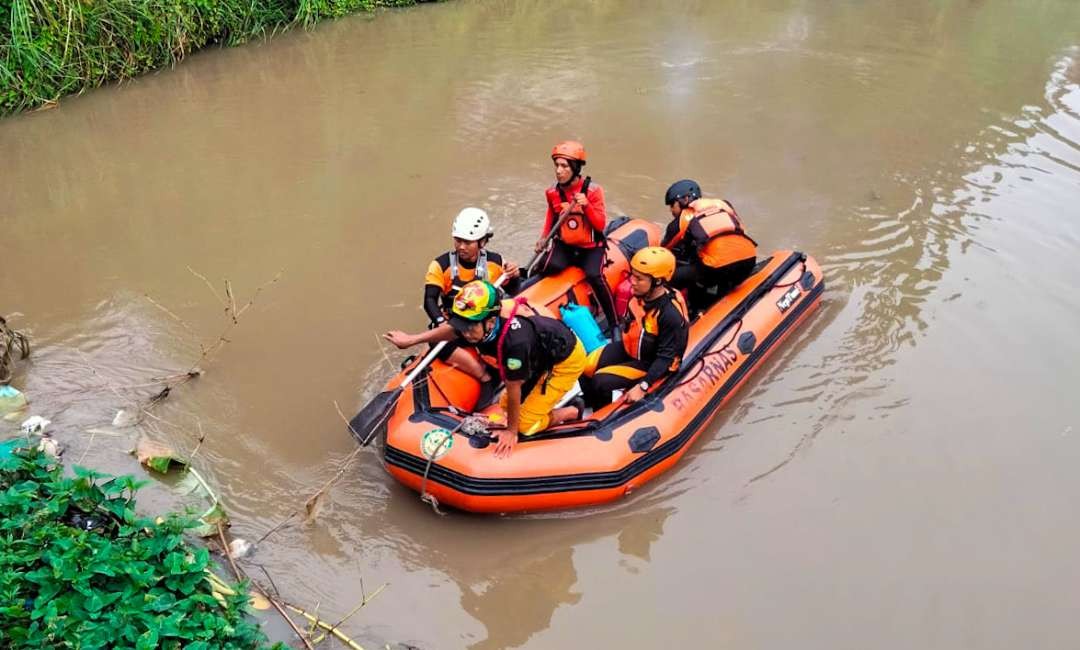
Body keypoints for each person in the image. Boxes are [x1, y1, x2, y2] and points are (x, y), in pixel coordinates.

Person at [386, 280, 586, 458]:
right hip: (539, 354)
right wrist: (412, 340)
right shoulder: (477, 326)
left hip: (564, 360)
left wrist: (511, 431)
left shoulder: (514, 344)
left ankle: (572, 411)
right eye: (462, 326)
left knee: (525, 426)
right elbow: (452, 330)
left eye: (470, 327)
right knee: (505, 404)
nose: (465, 332)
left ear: (490, 321)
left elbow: (514, 387)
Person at [419, 208, 520, 385]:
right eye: (458, 241)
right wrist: (443, 325)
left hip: (486, 326)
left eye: (467, 242)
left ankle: (503, 373)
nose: (461, 247)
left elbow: (513, 290)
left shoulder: (495, 262)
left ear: (482, 242)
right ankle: (483, 376)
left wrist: (514, 275)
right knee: (435, 341)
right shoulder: (441, 265)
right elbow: (429, 300)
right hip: (456, 324)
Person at [580, 247, 689, 410]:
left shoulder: (669, 314)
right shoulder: (641, 296)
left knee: (600, 381)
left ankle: (599, 415)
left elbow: (665, 358)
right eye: (633, 275)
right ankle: (588, 402)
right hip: (631, 349)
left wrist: (643, 386)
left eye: (639, 278)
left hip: (649, 362)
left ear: (657, 281)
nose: (632, 281)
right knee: (584, 366)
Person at [532, 140, 619, 333]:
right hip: (566, 245)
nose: (558, 171)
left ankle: (614, 324)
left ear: (575, 168)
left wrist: (587, 205)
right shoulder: (552, 192)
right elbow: (551, 216)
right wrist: (543, 237)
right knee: (546, 266)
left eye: (564, 166)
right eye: (557, 165)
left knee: (595, 276)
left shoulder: (594, 191)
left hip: (590, 247)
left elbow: (600, 224)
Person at [660, 179, 757, 314]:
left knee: (667, 278)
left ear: (685, 199)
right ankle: (721, 294)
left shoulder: (682, 220)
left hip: (717, 268)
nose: (671, 210)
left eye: (672, 205)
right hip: (749, 259)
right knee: (706, 263)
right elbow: (740, 229)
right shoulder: (723, 204)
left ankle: (691, 309)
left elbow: (663, 252)